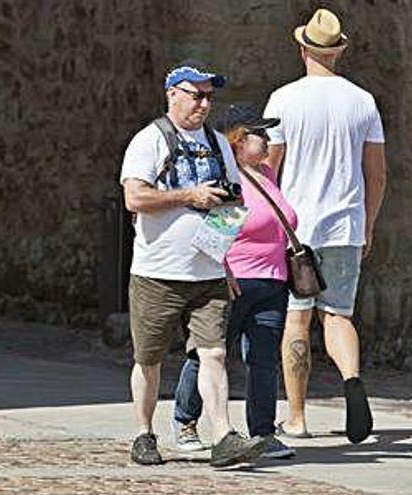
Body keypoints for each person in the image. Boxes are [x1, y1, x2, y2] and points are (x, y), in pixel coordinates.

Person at [120, 63, 266, 466]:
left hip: (209, 273)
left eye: (208, 96)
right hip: (157, 273)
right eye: (195, 94)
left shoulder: (219, 144)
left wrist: (227, 262)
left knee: (214, 353)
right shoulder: (148, 141)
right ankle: (143, 434)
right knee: (148, 360)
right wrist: (189, 196)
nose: (203, 103)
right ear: (172, 94)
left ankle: (222, 437)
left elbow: (233, 204)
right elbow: (135, 199)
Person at [262, 8, 387, 444]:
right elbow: (377, 173)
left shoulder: (283, 100)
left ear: (303, 49)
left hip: (297, 228)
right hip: (345, 225)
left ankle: (297, 417)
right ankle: (351, 380)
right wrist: (367, 224)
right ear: (339, 51)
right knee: (338, 315)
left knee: (297, 321)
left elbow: (269, 171)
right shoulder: (363, 101)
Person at [171, 105, 298, 459]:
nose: (269, 140)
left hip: (274, 283)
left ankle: (263, 432)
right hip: (235, 283)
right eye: (262, 134)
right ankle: (185, 420)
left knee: (263, 361)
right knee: (209, 355)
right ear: (239, 141)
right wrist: (222, 276)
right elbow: (213, 240)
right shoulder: (232, 181)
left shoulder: (267, 174)